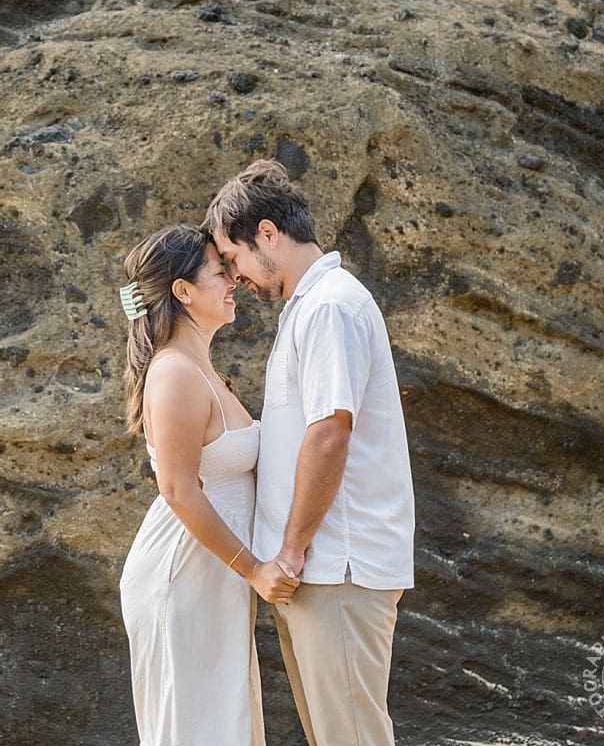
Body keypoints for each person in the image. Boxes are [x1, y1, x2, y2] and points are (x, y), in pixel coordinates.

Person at [205, 160, 416, 746]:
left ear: (268, 234)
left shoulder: (329, 307)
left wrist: (291, 552)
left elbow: (330, 432)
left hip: (334, 567)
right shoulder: (310, 305)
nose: (236, 276)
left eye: (235, 258)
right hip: (317, 571)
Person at [118, 223, 299, 746]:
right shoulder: (174, 373)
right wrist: (255, 569)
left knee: (223, 725)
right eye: (220, 272)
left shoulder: (201, 368)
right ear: (183, 291)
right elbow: (177, 489)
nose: (233, 281)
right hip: (182, 578)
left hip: (210, 577)